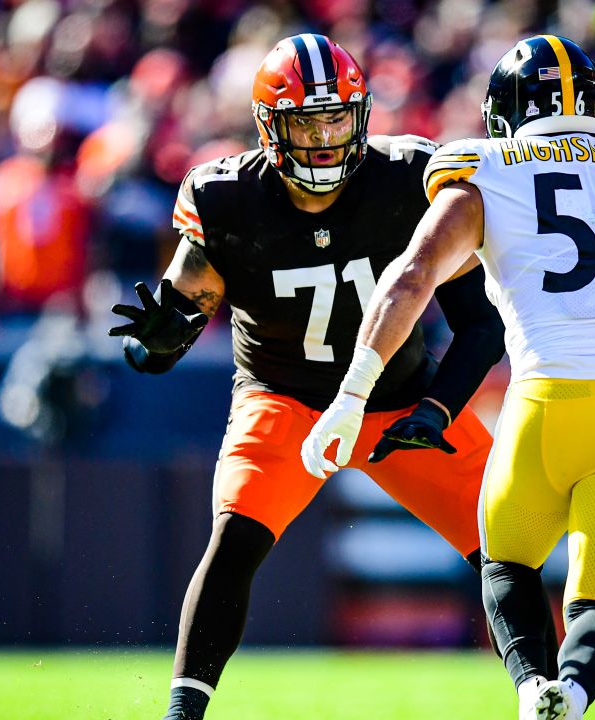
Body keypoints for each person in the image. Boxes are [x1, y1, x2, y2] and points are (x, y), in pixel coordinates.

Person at [303, 35, 595, 720]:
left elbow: (413, 276)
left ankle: (534, 686)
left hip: (553, 394)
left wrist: (354, 391)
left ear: (502, 112)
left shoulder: (488, 166)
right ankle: (575, 694)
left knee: (507, 562)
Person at [110, 34, 515, 720]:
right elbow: (160, 343)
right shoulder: (224, 198)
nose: (325, 139)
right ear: (272, 125)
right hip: (283, 400)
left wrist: (440, 408)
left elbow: (482, 324)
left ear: (361, 115)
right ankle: (182, 715)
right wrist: (153, 344)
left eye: (336, 118)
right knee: (235, 539)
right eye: (306, 121)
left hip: (396, 400)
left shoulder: (410, 178)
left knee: (508, 548)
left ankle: (545, 691)